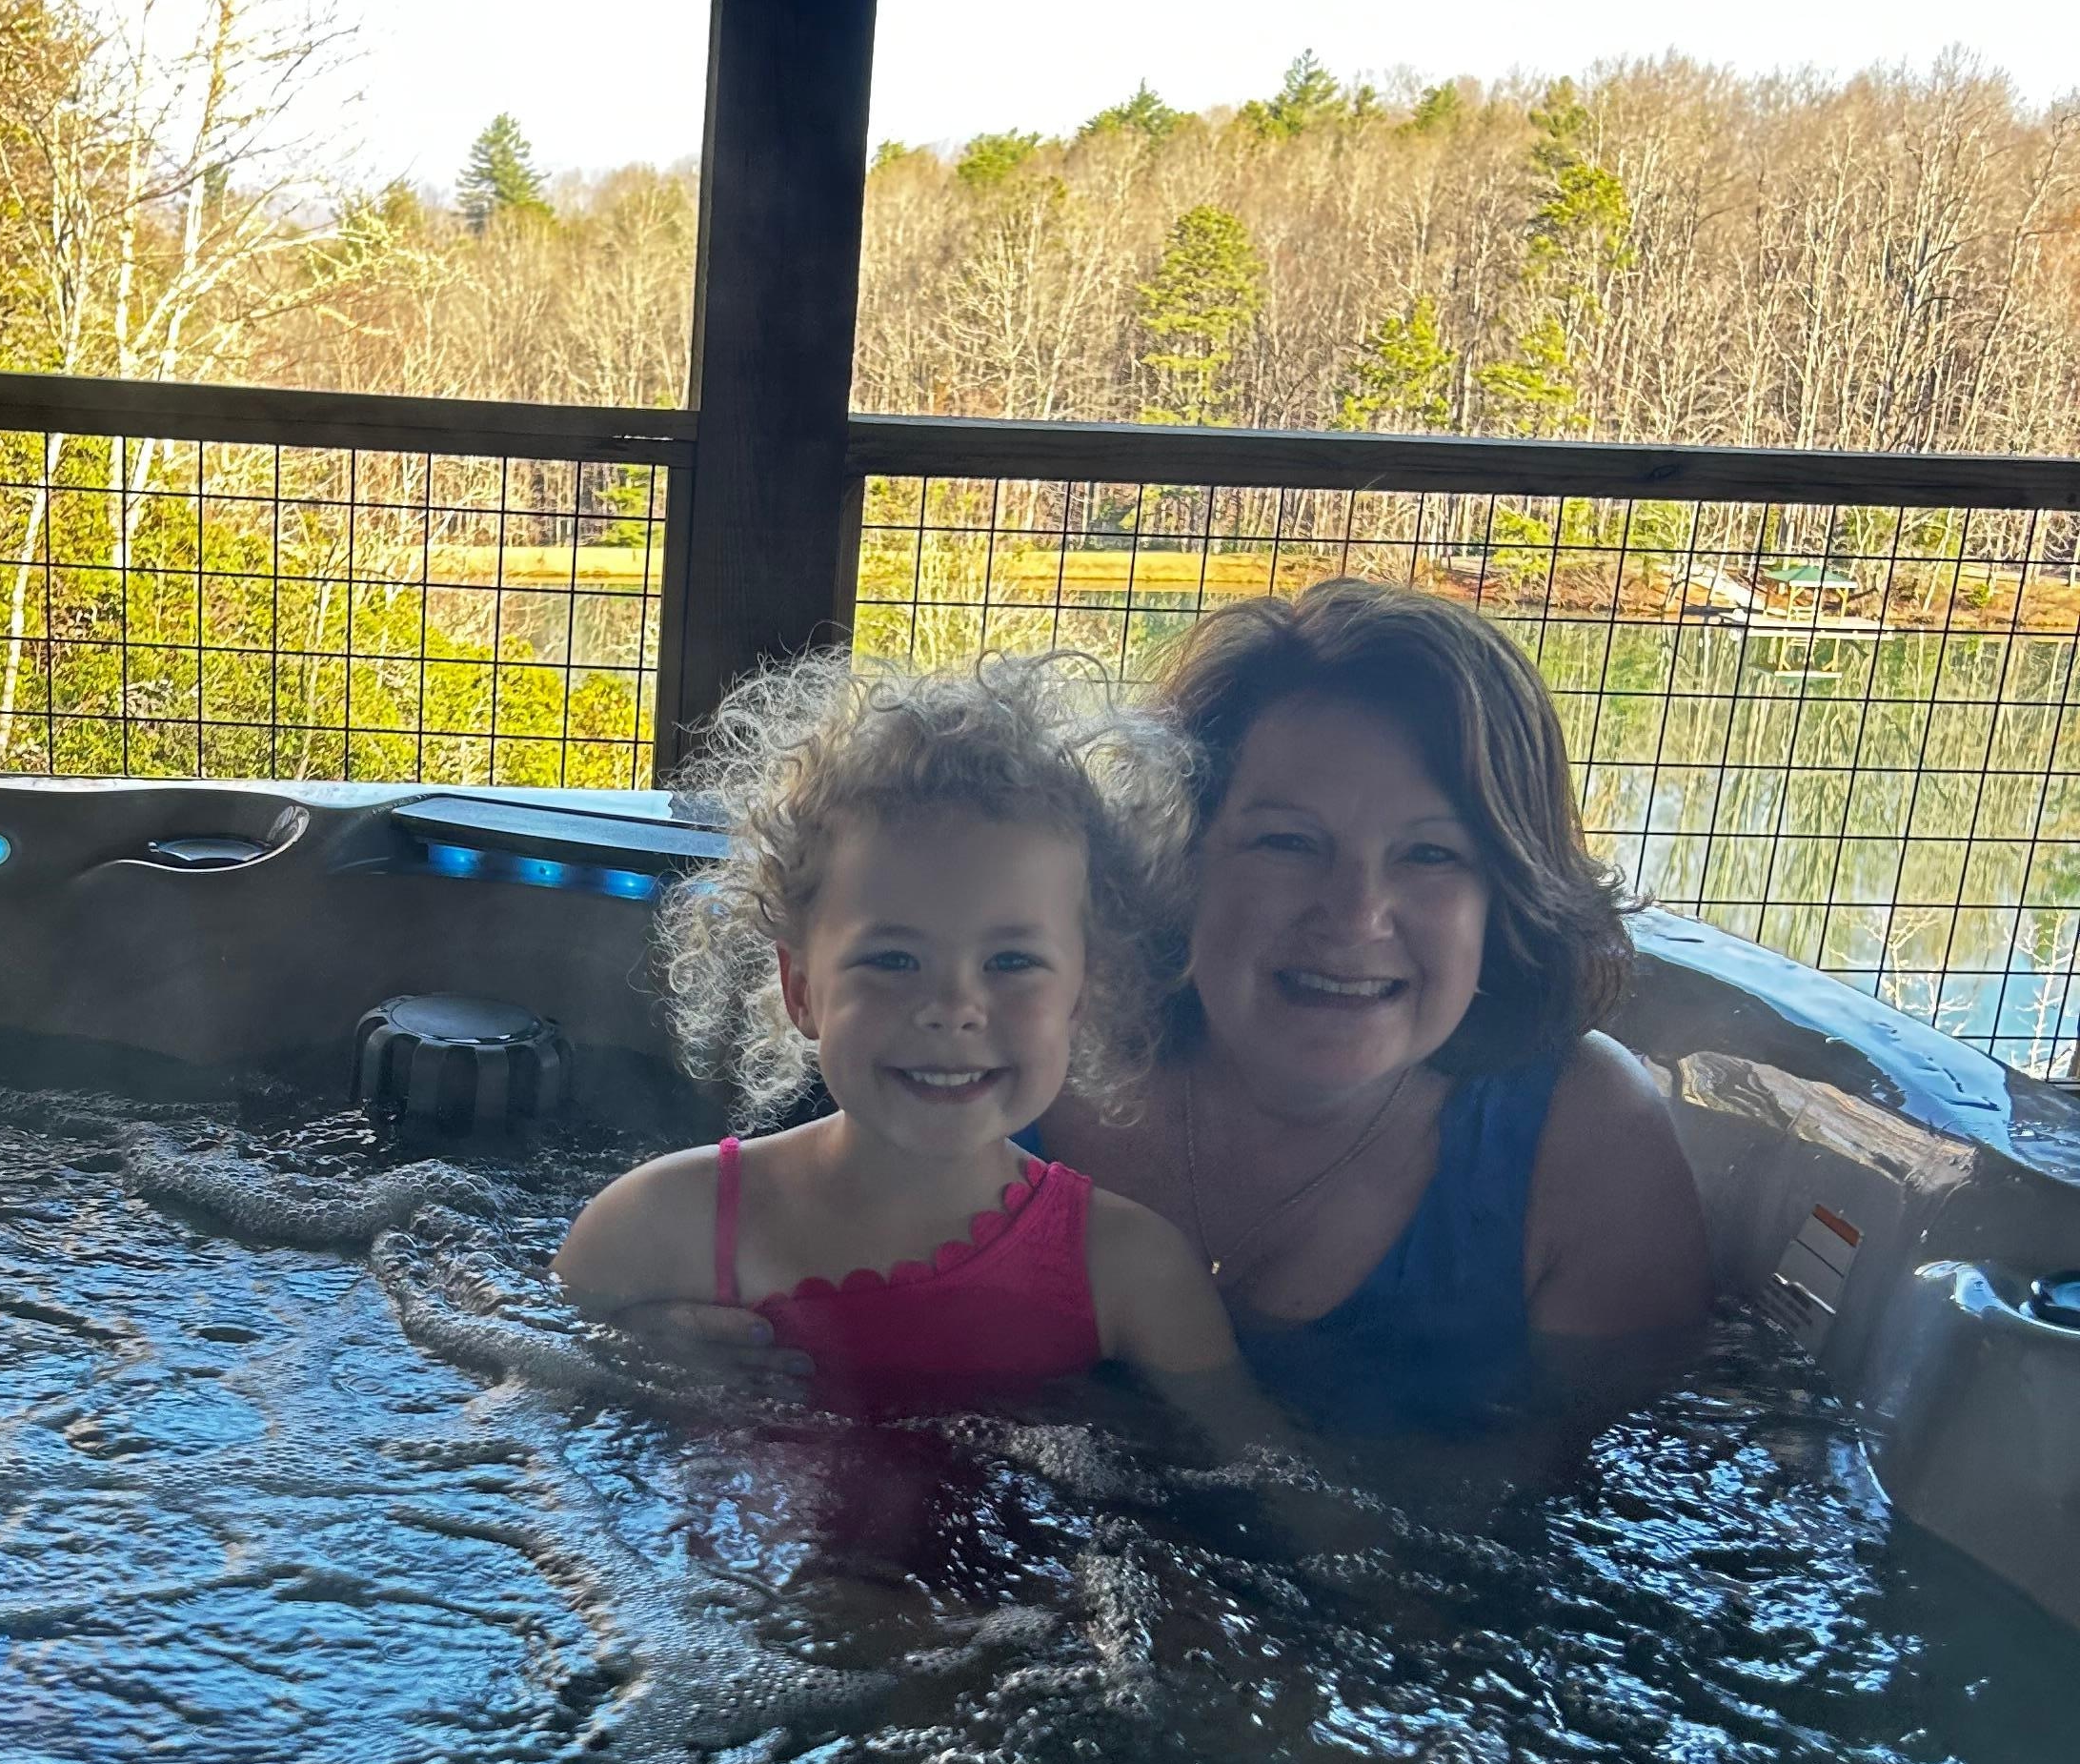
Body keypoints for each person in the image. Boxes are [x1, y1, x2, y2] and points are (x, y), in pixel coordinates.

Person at [1037, 579, 1708, 1436]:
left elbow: (1621, 1501)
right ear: (1181, 857)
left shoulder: (1584, 1136)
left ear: (1506, 897)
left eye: (1430, 854)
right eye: (1288, 842)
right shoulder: (1020, 1061)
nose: (1355, 914)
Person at [556, 651, 1264, 1432]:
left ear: (1082, 993)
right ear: (801, 990)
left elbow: (1277, 1496)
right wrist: (623, 1357)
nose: (954, 1008)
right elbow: (520, 1429)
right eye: (893, 959)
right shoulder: (657, 1228)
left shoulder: (1131, 1273)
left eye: (1012, 962)